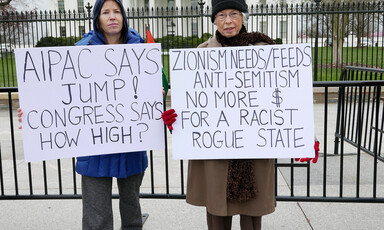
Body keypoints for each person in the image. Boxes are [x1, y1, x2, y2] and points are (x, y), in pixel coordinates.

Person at [162, 0, 320, 229]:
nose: (228, 21)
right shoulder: (200, 54)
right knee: (217, 212)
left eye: (234, 14)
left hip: (255, 150)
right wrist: (176, 120)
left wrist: (307, 136)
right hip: (215, 152)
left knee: (252, 215)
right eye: (222, 15)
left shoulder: (265, 50)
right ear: (214, 20)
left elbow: (289, 98)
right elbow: (192, 106)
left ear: (243, 17)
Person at [18, 0, 148, 229]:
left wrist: (156, 95)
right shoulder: (80, 51)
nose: (112, 17)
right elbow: (57, 95)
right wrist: (34, 111)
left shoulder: (141, 49)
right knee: (97, 217)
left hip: (130, 144)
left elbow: (156, 88)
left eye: (117, 11)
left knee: (132, 213)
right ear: (97, 17)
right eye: (106, 12)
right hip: (94, 147)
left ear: (124, 16)